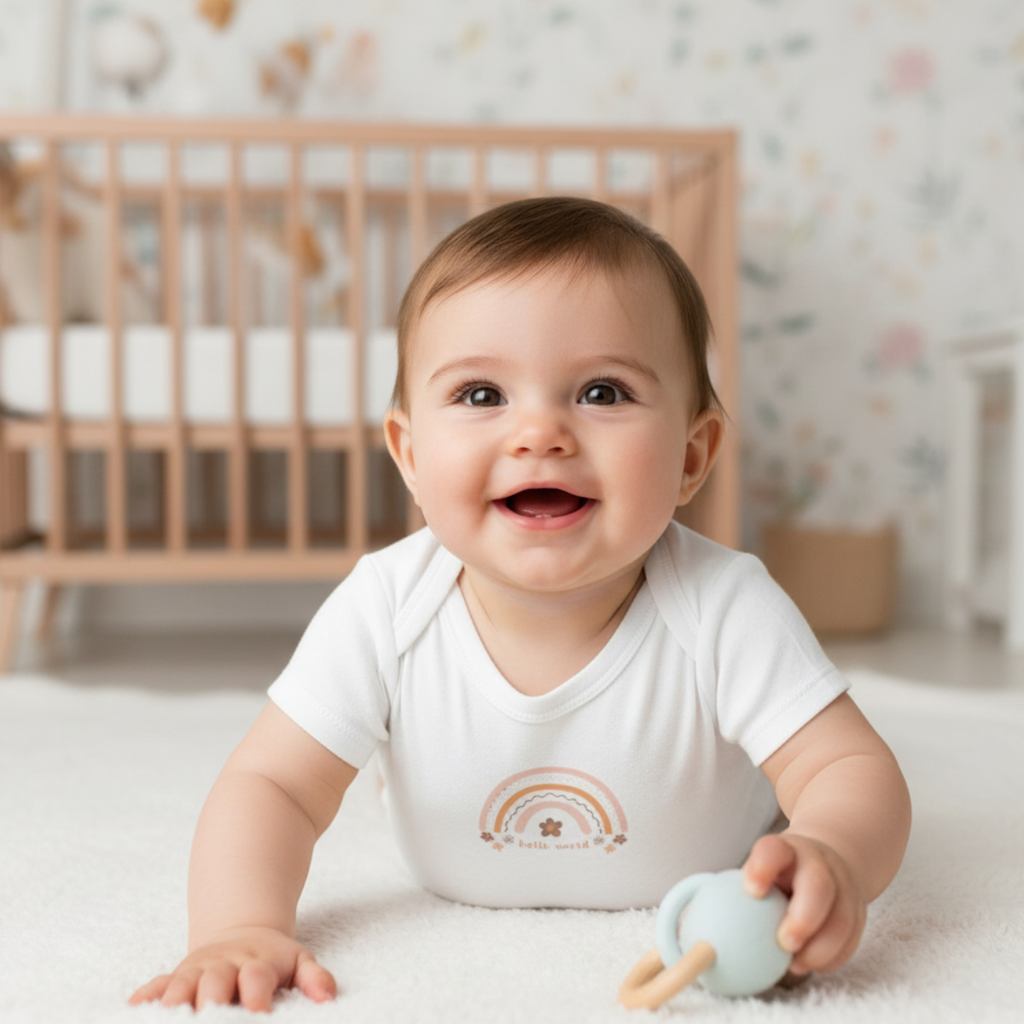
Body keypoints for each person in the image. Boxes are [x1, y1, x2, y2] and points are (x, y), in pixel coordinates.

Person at [131, 197, 911, 1012]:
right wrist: (239, 925)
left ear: (690, 455)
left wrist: (833, 853)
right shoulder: (386, 606)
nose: (540, 433)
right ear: (409, 453)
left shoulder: (725, 604)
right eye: (479, 396)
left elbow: (849, 769)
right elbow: (273, 786)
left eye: (603, 392)